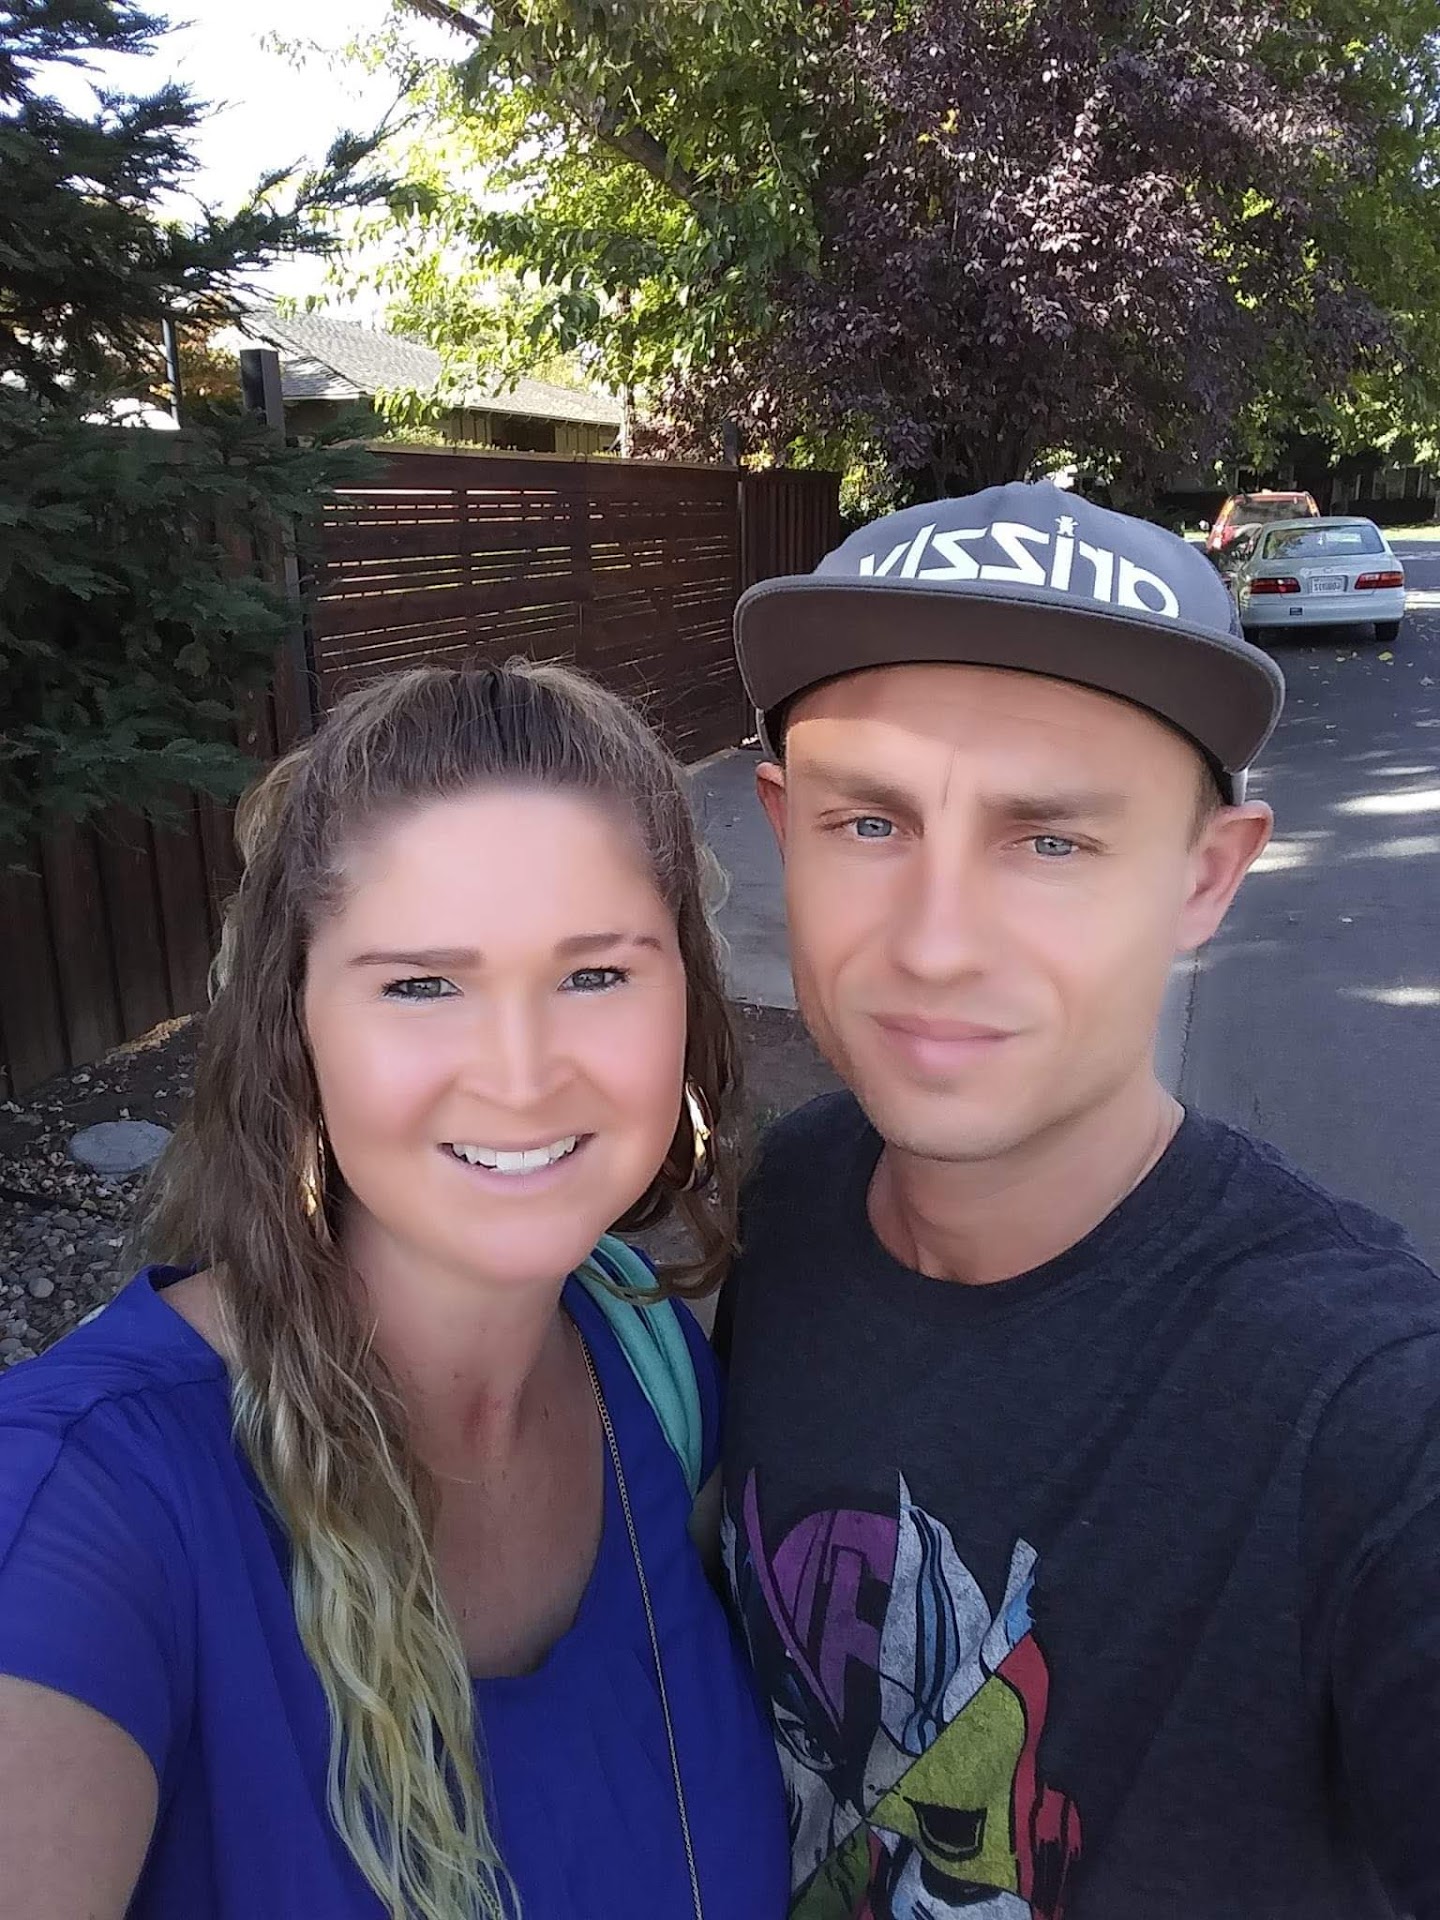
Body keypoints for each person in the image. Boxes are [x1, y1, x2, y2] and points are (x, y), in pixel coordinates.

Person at [717, 480, 1440, 1920]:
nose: (935, 944)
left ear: (1206, 879)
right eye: (871, 823)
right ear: (783, 829)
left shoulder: (1374, 1416)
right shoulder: (785, 1200)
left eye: (1050, 841)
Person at [0, 662, 788, 1920]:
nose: (521, 1075)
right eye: (422, 984)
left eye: (596, 975)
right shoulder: (82, 1503)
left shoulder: (650, 1364)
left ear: (686, 999)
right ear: (295, 1027)